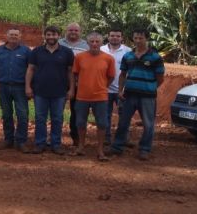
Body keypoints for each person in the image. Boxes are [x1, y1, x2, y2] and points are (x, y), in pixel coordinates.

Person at [109, 29, 165, 161]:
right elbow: (123, 75)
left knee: (148, 124)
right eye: (136, 38)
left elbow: (160, 78)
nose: (138, 41)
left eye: (141, 38)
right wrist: (120, 90)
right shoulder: (128, 56)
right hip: (129, 95)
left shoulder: (155, 57)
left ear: (146, 39)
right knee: (123, 122)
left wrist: (150, 87)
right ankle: (117, 147)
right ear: (132, 39)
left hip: (147, 96)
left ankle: (144, 149)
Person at [25, 25, 74, 155]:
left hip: (59, 92)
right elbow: (30, 69)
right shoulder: (36, 51)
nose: (51, 37)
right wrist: (28, 86)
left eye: (54, 35)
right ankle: (40, 143)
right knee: (40, 118)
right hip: (40, 91)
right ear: (45, 36)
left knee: (57, 118)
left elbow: (70, 72)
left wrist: (71, 89)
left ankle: (56, 144)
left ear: (59, 36)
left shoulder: (67, 52)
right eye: (49, 35)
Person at [71, 32, 115, 161]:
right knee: (80, 123)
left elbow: (111, 76)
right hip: (82, 97)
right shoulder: (79, 57)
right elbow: (75, 74)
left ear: (101, 43)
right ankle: (80, 147)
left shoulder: (108, 58)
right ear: (88, 43)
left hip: (100, 97)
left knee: (101, 123)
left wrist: (102, 86)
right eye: (92, 41)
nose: (94, 44)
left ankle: (100, 150)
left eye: (97, 42)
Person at [0, 27, 31, 153]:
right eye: (11, 34)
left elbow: (31, 69)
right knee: (6, 114)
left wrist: (30, 87)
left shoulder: (26, 51)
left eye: (16, 35)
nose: (13, 37)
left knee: (22, 115)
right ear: (6, 36)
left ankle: (21, 141)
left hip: (20, 87)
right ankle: (8, 139)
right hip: (4, 87)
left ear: (20, 36)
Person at [59, 22, 89, 147]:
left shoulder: (86, 45)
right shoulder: (59, 43)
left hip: (79, 83)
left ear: (80, 32)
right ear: (66, 31)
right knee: (57, 110)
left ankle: (75, 137)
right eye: (70, 30)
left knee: (76, 111)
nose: (73, 32)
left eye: (76, 30)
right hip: (59, 81)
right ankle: (56, 137)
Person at [100, 28, 131, 145]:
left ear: (122, 38)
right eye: (112, 35)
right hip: (104, 89)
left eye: (118, 36)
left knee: (124, 115)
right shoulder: (101, 49)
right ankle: (106, 138)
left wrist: (123, 89)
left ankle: (124, 138)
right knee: (105, 115)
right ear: (108, 37)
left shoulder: (127, 51)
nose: (115, 38)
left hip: (122, 90)